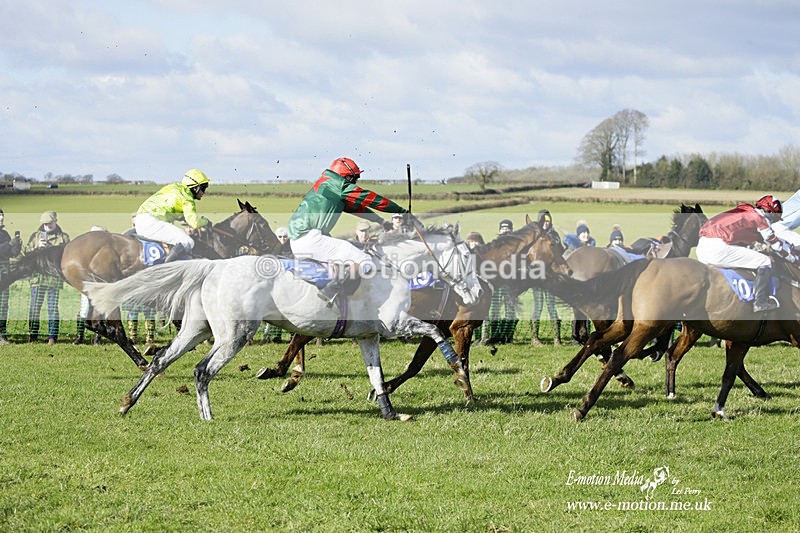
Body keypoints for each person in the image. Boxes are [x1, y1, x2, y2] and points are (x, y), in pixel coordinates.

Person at [286, 157, 408, 306]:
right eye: (354, 178)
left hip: (300, 240)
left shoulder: (328, 184)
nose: (355, 183)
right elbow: (369, 198)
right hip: (309, 239)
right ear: (346, 176)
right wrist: (401, 210)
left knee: (351, 256)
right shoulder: (337, 184)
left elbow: (356, 207)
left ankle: (341, 297)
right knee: (364, 261)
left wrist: (381, 221)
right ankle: (332, 293)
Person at [696, 195, 793, 313]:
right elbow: (774, 243)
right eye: (775, 218)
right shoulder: (761, 219)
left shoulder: (745, 210)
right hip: (717, 247)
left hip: (701, 246)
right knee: (765, 261)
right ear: (771, 212)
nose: (773, 222)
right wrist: (791, 257)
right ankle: (760, 302)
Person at [133, 169, 212, 263]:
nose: (204, 192)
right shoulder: (187, 199)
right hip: (151, 223)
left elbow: (177, 213)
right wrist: (206, 222)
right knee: (187, 241)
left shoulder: (173, 187)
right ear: (195, 188)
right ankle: (166, 268)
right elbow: (194, 222)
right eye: (203, 188)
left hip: (140, 219)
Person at [25, 211, 70, 344]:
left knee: (52, 308)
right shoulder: (35, 236)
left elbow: (67, 256)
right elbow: (26, 253)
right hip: (37, 278)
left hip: (53, 279)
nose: (47, 226)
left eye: (49, 223)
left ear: (56, 221)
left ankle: (52, 337)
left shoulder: (64, 238)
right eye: (44, 224)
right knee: (34, 308)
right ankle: (33, 335)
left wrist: (52, 250)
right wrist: (37, 248)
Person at [530, 209, 562, 346]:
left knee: (551, 306)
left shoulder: (554, 235)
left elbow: (559, 252)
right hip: (537, 277)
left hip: (550, 277)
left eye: (548, 221)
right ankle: (534, 338)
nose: (546, 223)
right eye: (543, 220)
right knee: (538, 306)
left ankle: (557, 338)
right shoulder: (534, 237)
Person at [74, 226, 107, 345]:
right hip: (87, 285)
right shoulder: (83, 251)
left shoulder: (106, 251)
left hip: (101, 285)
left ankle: (98, 338)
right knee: (84, 310)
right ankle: (79, 336)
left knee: (100, 311)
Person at [486, 219, 518, 344]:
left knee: (510, 308)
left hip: (511, 282)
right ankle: (494, 335)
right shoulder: (494, 244)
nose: (505, 230)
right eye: (503, 228)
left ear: (511, 230)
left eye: (508, 228)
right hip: (496, 281)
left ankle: (508, 336)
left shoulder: (516, 245)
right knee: (494, 309)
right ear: (499, 230)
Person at [0, 209, 22, 344]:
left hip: (4, 276)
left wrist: (17, 246)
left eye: (2, 217)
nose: (1, 219)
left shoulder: (5, 233)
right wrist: (9, 245)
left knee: (3, 306)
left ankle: (2, 334)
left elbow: (11, 254)